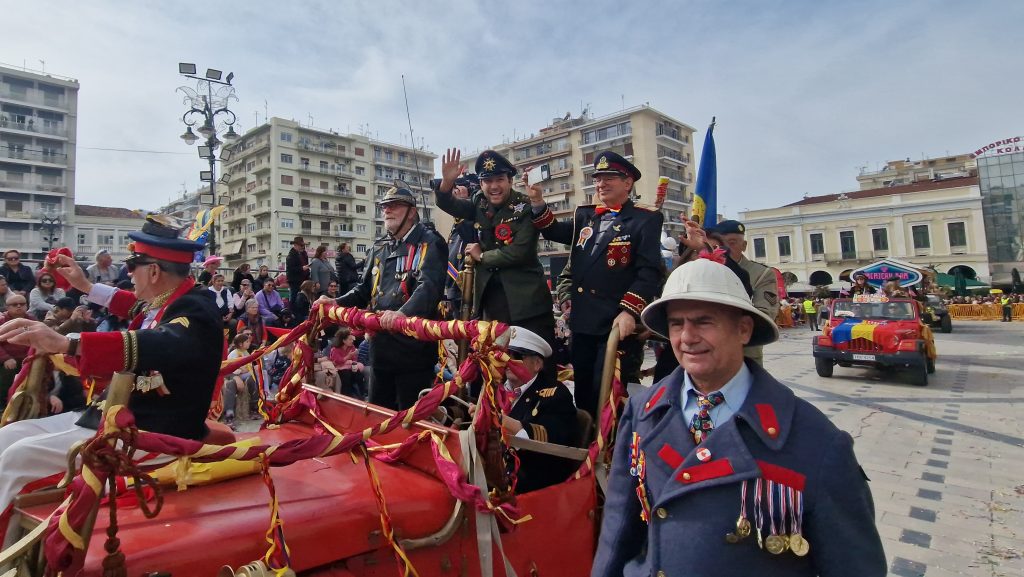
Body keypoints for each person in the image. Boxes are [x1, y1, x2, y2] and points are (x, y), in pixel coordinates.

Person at [594, 257, 886, 577]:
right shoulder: (643, 411)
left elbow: (855, 566)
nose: (687, 337)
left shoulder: (817, 441)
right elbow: (618, 528)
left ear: (744, 329)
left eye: (704, 321)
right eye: (677, 323)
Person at [0, 215, 225, 526]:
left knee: (18, 457)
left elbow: (158, 342)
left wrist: (67, 343)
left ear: (155, 271)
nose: (127, 272)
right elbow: (129, 304)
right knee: (8, 436)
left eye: (133, 265)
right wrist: (84, 285)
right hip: (116, 418)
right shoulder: (167, 299)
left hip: (153, 432)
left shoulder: (196, 310)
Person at [528, 151, 663, 419]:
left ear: (628, 183)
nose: (601, 183)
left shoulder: (645, 219)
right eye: (598, 178)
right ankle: (590, 447)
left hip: (616, 324)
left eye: (609, 177)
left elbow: (649, 272)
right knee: (586, 391)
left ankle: (612, 449)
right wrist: (537, 202)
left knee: (612, 393)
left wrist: (629, 311)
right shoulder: (586, 216)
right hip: (583, 322)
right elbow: (555, 230)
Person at [319, 181, 446, 410]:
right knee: (378, 415)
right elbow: (362, 291)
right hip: (381, 348)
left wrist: (401, 313)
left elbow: (429, 288)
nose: (387, 210)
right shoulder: (379, 248)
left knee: (410, 422)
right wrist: (335, 301)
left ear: (412, 212)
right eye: (385, 206)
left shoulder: (430, 242)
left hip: (413, 350)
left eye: (395, 205)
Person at [434, 149, 555, 363]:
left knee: (533, 367)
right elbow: (449, 204)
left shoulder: (526, 206)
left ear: (510, 180)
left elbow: (520, 252)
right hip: (490, 302)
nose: (494, 186)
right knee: (492, 366)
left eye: (499, 179)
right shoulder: (479, 203)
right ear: (481, 184)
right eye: (487, 180)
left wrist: (482, 256)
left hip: (527, 303)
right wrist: (446, 183)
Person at [496, 326, 577, 493]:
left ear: (537, 364)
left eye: (517, 356)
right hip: (494, 466)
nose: (509, 361)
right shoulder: (496, 387)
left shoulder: (556, 394)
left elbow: (551, 440)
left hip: (529, 475)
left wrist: (500, 420)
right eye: (506, 355)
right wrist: (442, 414)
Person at [711, 219, 779, 366]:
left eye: (732, 242)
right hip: (706, 355)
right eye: (720, 244)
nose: (725, 249)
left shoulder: (761, 273)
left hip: (744, 356)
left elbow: (764, 315)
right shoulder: (705, 269)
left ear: (744, 245)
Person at [442, 173, 480, 317]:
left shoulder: (476, 217)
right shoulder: (458, 221)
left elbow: (472, 237)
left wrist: (463, 203)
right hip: (455, 289)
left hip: (469, 290)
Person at [0, 295, 30, 409]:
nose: (19, 306)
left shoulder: (32, 320)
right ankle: (3, 405)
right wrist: (6, 358)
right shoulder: (1, 321)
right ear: (7, 308)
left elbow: (38, 340)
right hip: (7, 359)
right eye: (14, 305)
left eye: (22, 304)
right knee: (8, 370)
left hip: (27, 358)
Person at [223, 333, 257, 427]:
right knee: (230, 384)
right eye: (247, 341)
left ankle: (254, 408)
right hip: (232, 375)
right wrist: (236, 375)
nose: (249, 343)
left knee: (253, 379)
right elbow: (228, 369)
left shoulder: (246, 353)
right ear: (241, 344)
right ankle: (229, 415)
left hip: (245, 375)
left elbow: (249, 367)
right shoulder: (233, 354)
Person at [329, 327, 365, 398]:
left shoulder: (352, 347)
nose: (352, 341)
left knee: (359, 375)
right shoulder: (335, 349)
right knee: (346, 376)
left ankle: (362, 395)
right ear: (343, 340)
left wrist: (353, 359)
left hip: (349, 366)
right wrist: (348, 357)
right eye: (350, 339)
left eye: (352, 339)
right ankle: (346, 397)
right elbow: (337, 361)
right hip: (339, 368)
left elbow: (354, 359)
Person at [285, 236, 310, 308]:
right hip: (294, 281)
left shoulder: (302, 254)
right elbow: (291, 269)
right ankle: (292, 313)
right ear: (295, 245)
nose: (302, 247)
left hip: (303, 279)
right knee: (294, 298)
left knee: (302, 298)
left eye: (303, 245)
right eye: (301, 245)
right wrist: (302, 268)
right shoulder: (291, 255)